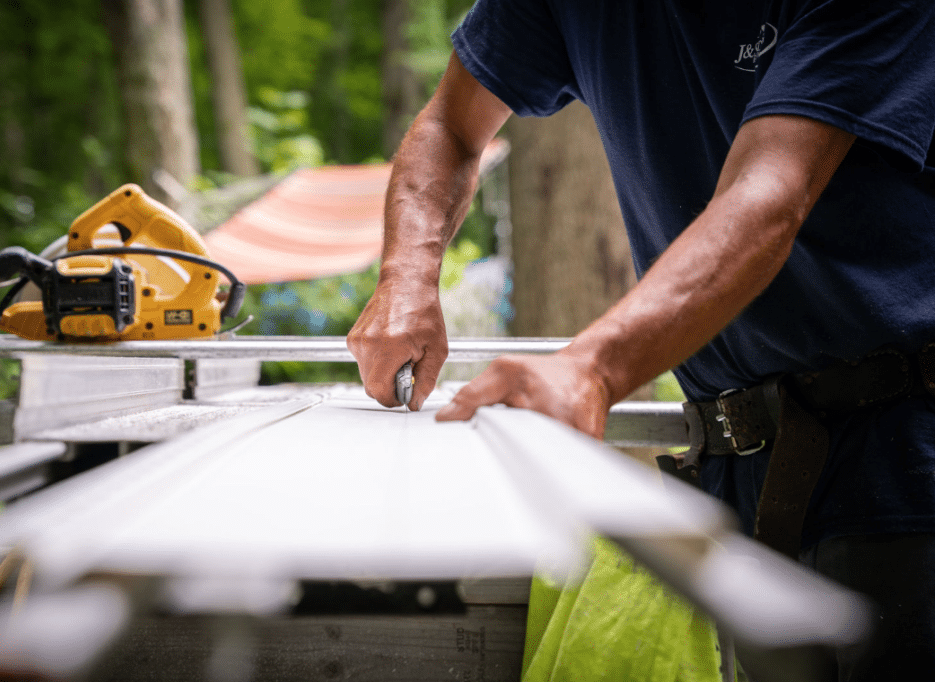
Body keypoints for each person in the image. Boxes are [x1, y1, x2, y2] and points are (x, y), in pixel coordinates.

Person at [346, 1, 935, 679]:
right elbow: (453, 122)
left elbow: (770, 192)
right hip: (748, 468)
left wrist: (591, 368)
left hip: (904, 458)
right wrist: (406, 277)